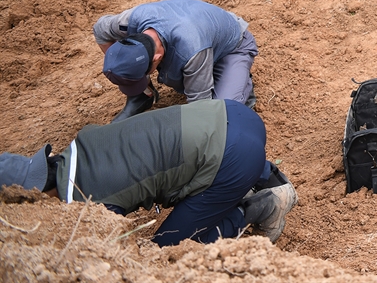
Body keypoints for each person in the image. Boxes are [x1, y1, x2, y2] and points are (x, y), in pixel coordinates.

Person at [0, 99, 297, 245]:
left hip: (233, 155)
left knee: (167, 248)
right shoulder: (80, 144)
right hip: (232, 113)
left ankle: (260, 207)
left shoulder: (88, 202)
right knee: (177, 154)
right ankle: (265, 176)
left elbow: (113, 249)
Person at [95, 0, 258, 122]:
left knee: (220, 114)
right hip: (200, 33)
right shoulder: (131, 20)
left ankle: (241, 83)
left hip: (233, 46)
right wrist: (130, 67)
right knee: (176, 74)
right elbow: (100, 29)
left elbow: (201, 109)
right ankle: (143, 96)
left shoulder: (191, 49)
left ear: (157, 58)